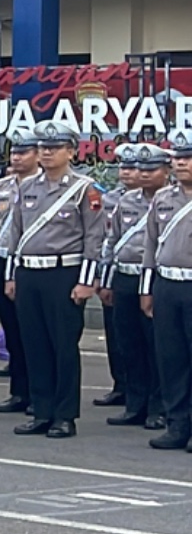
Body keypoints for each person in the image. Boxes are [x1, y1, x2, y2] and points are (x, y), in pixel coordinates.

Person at [0, 119, 108, 438]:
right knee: (34, 344)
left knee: (63, 346)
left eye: (55, 147)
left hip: (64, 273)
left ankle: (64, 415)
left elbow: (94, 238)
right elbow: (15, 234)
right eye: (43, 147)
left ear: (71, 151)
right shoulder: (26, 187)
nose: (47, 153)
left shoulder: (85, 189)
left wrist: (86, 281)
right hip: (29, 272)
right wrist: (11, 275)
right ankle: (41, 410)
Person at [100, 143, 167, 427]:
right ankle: (134, 404)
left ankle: (158, 407)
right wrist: (106, 281)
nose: (143, 174)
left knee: (156, 345)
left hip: (155, 278)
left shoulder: (172, 200)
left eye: (151, 169)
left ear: (165, 171)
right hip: (125, 277)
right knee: (128, 342)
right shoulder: (126, 201)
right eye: (141, 169)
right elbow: (112, 241)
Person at [138, 130, 192, 450]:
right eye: (178, 158)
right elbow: (150, 247)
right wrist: (147, 290)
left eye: (188, 158)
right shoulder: (163, 198)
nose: (181, 163)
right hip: (168, 285)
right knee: (172, 359)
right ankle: (177, 424)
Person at [0, 129, 40, 392]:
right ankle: (19, 390)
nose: (17, 158)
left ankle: (37, 391)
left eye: (24, 152)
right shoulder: (2, 186)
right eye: (15, 152)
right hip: (2, 260)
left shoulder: (44, 186)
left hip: (29, 263)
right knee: (10, 326)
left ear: (38, 155)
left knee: (32, 331)